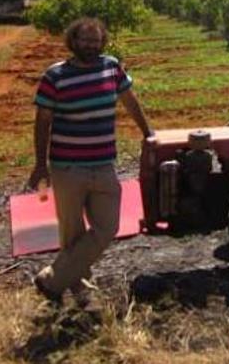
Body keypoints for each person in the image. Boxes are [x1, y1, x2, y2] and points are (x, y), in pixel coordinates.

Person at [27, 17, 153, 305]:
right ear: (73, 41)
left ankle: (52, 278)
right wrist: (39, 164)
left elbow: (130, 101)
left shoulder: (111, 66)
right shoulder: (55, 76)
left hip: (104, 164)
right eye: (85, 40)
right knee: (72, 233)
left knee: (107, 227)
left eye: (95, 40)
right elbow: (42, 121)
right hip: (67, 167)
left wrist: (148, 132)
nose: (91, 45)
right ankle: (79, 289)